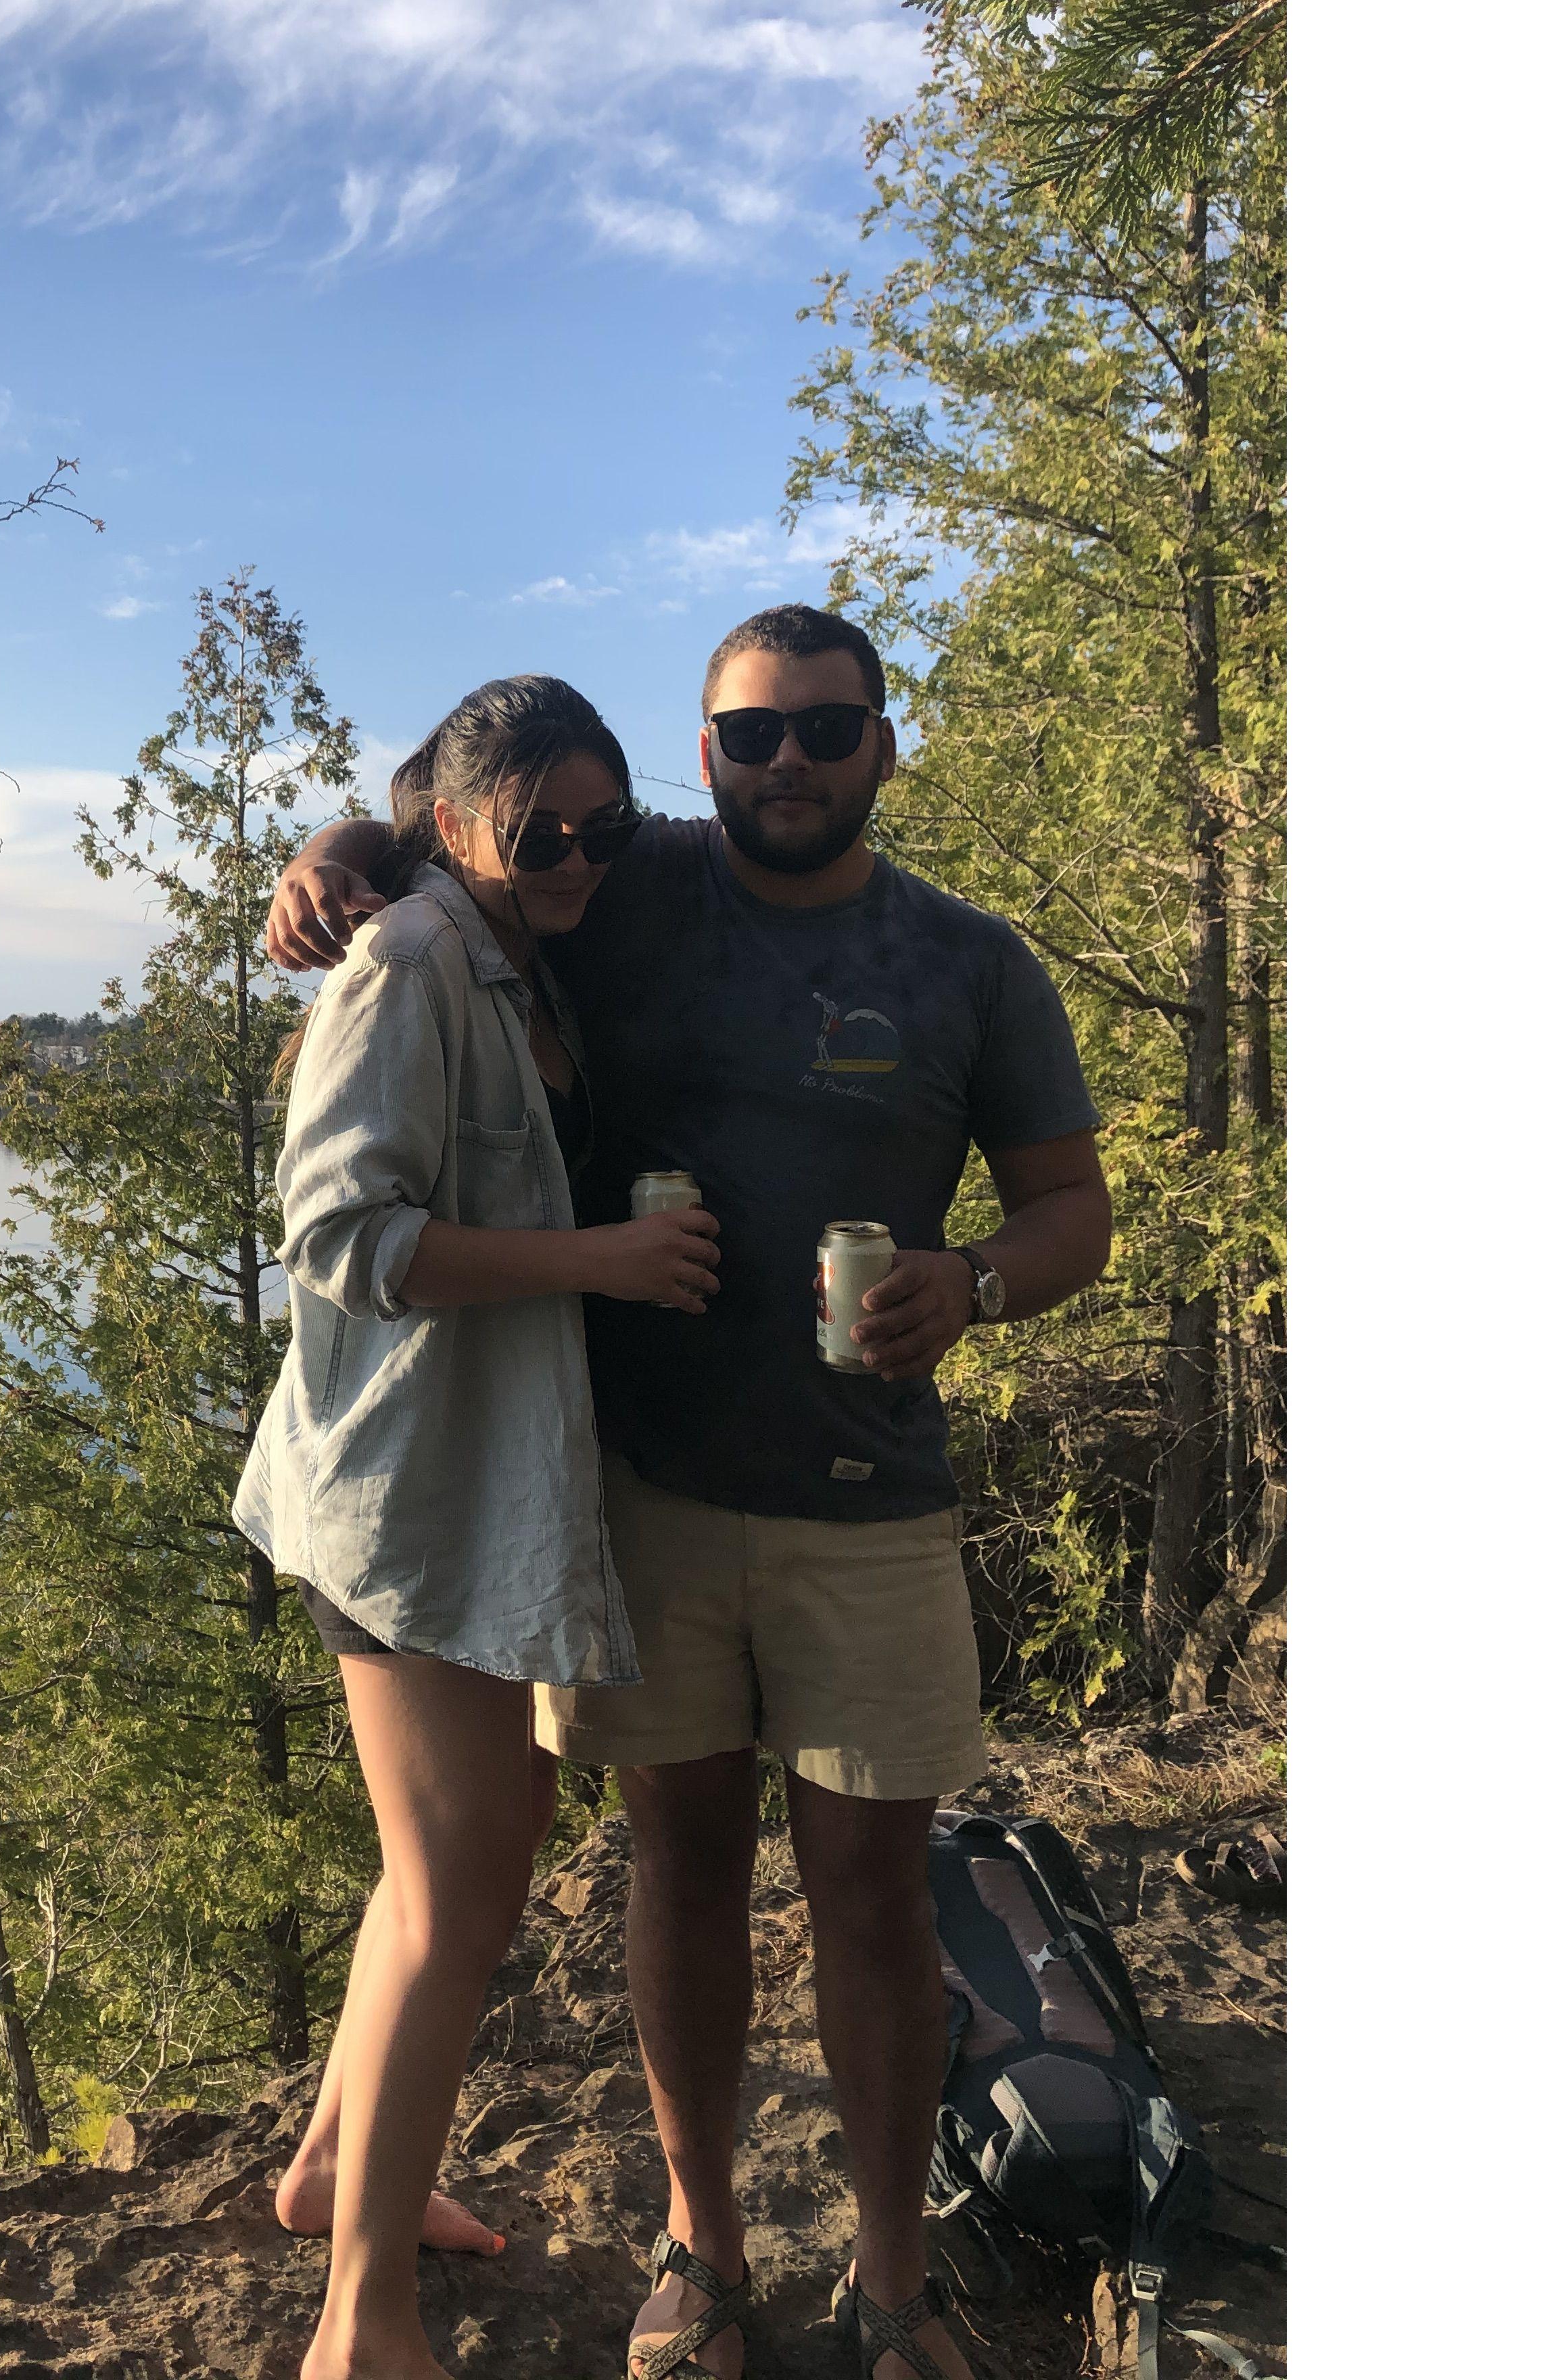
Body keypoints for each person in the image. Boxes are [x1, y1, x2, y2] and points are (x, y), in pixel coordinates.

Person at [265, 606, 1113, 2380]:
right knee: (672, 1869)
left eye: (827, 729)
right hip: (631, 1492)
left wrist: (975, 1282)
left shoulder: (971, 962)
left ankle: (893, 2281)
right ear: (705, 754)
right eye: (750, 734)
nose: (788, 762)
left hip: (868, 1503)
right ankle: (700, 2251)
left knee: (869, 1892)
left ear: (885, 744)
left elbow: (1070, 1211)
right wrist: (336, 851)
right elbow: (454, 820)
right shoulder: (621, 876)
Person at [239, 674, 725, 2380]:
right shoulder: (413, 962)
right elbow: (339, 1239)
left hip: (480, 1490)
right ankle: (361, 2322)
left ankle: (329, 2169)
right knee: (457, 1903)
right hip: (406, 1496)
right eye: (541, 831)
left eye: (605, 825)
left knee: (458, 1860)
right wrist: (598, 1263)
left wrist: (343, 838)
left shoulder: (525, 936)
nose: (580, 856)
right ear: (455, 826)